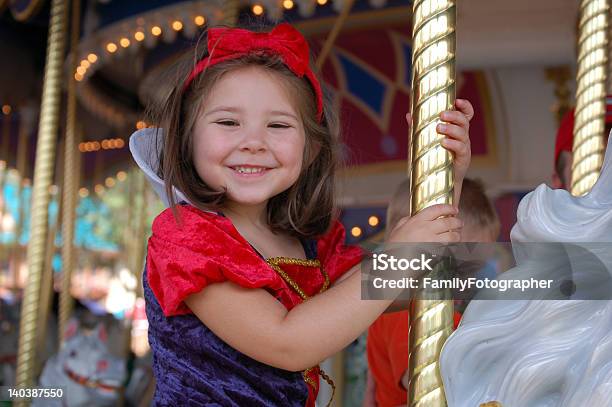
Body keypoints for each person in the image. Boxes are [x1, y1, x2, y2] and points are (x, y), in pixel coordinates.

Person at [130, 23, 473, 406]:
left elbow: (399, 287)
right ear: (187, 138)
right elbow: (287, 343)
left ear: (310, 149)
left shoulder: (309, 243)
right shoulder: (187, 238)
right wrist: (395, 259)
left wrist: (443, 177)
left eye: (278, 125)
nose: (254, 143)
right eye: (228, 122)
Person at [365, 178, 499, 407]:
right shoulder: (408, 309)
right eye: (459, 267)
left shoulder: (447, 311)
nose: (466, 282)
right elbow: (426, 384)